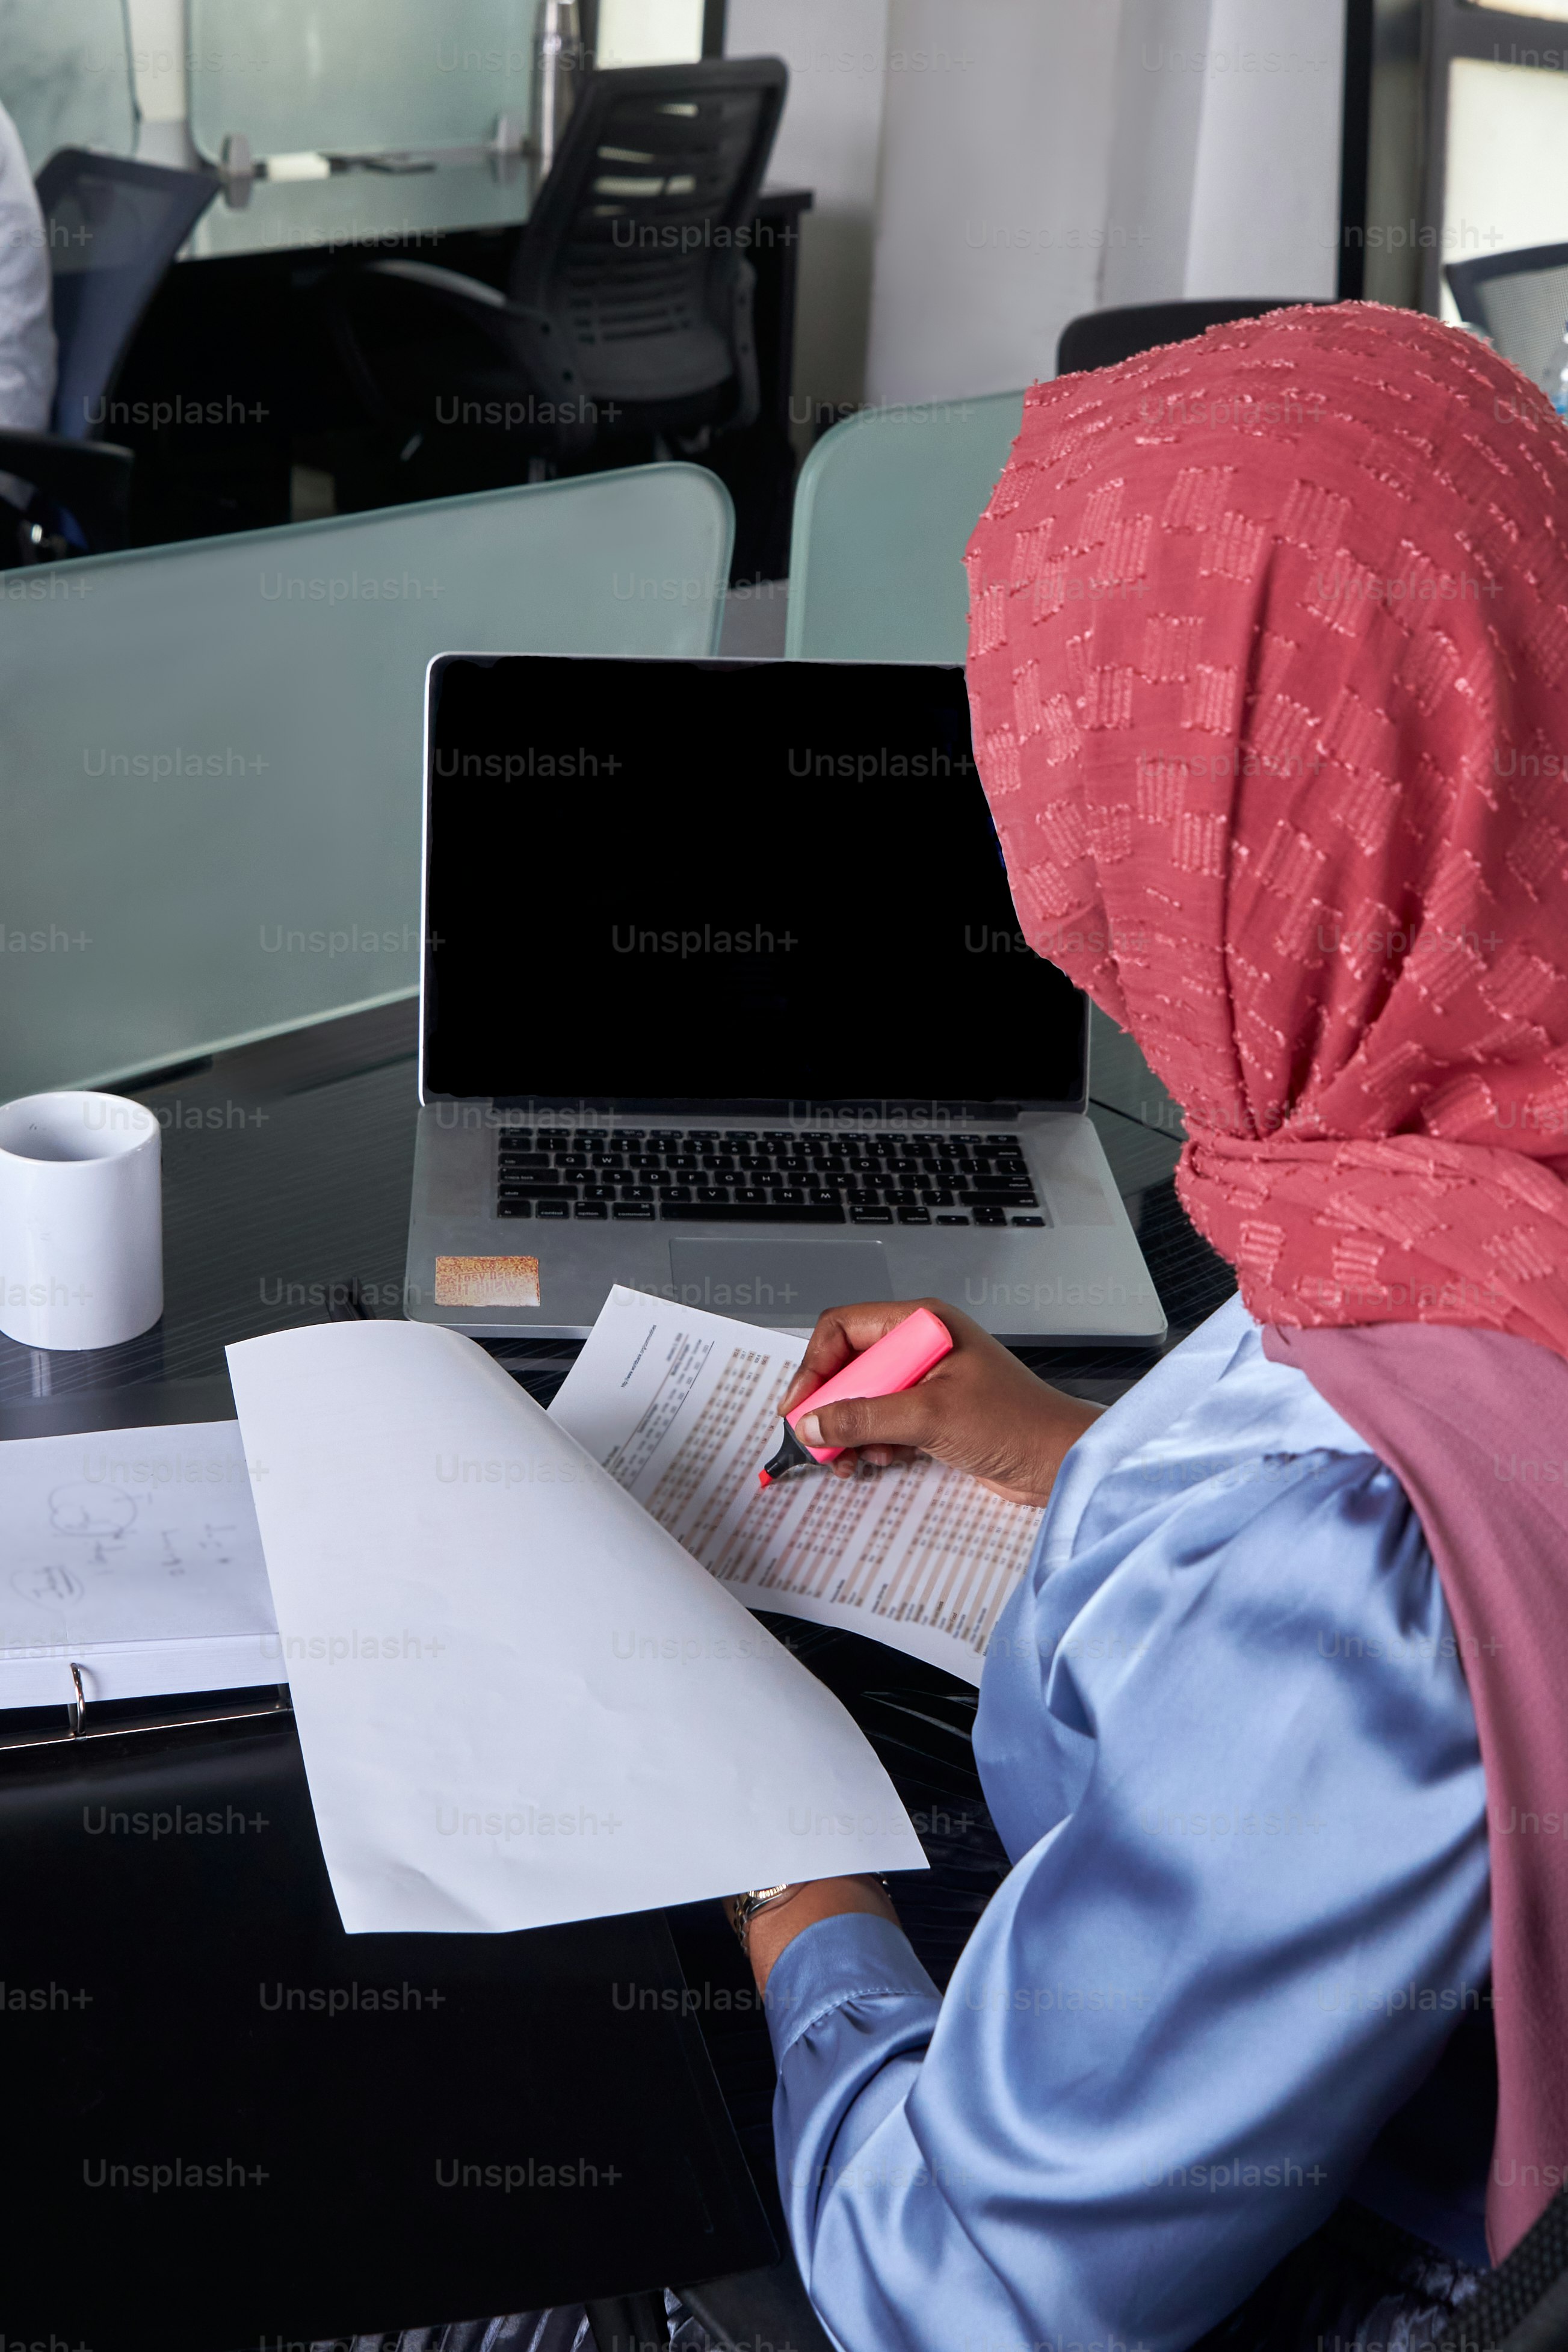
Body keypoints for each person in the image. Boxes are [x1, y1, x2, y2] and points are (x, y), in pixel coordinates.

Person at [718, 300, 1568, 2352]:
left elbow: (958, 2297)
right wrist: (1059, 1450)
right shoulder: (1460, 1133)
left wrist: (775, 1872)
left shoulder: (1349, 1568)